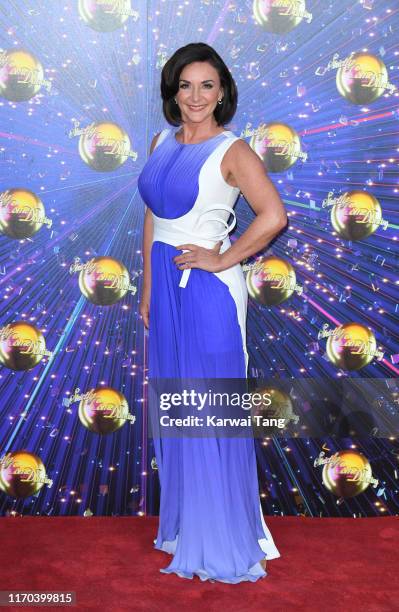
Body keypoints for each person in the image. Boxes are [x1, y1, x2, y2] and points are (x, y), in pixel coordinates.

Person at [138, 42, 287, 584]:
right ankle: (187, 525)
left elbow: (273, 215)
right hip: (168, 292)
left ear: (222, 90)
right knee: (179, 405)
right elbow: (153, 220)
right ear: (172, 91)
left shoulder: (234, 150)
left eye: (206, 85)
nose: (195, 96)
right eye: (185, 85)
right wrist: (149, 289)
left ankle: (219, 536)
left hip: (208, 292)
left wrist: (222, 257)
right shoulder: (160, 141)